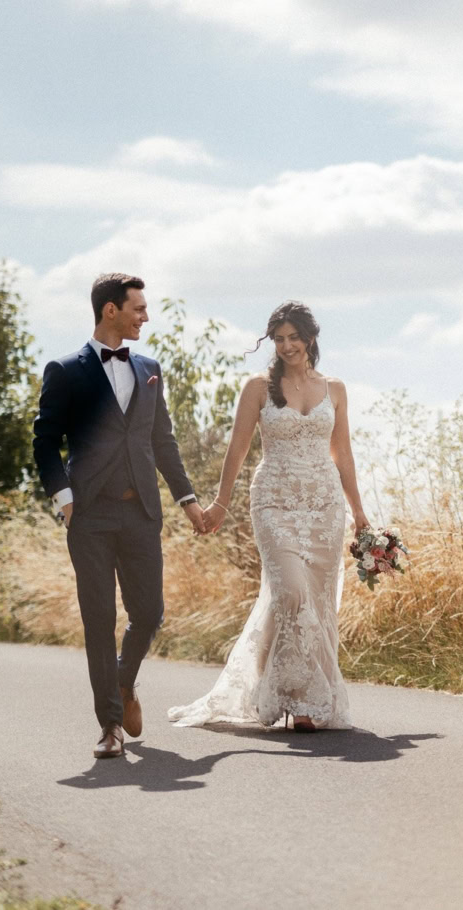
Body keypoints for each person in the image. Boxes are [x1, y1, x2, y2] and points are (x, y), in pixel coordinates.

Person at [168, 300, 364, 732]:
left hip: (324, 506)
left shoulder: (335, 389)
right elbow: (237, 448)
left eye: (294, 337)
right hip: (273, 500)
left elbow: (343, 453)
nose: (287, 346)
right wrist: (220, 502)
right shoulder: (258, 387)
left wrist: (360, 514)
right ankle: (288, 692)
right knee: (291, 591)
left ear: (311, 338)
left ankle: (309, 701)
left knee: (317, 600)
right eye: (279, 339)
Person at [33, 273, 206, 759]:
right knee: (98, 619)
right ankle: (109, 725)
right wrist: (63, 499)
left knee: (149, 613)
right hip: (88, 516)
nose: (145, 317)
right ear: (111, 310)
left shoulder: (149, 368)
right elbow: (44, 441)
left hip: (141, 512)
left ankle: (124, 682)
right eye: (139, 308)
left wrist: (187, 499)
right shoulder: (65, 370)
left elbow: (162, 441)